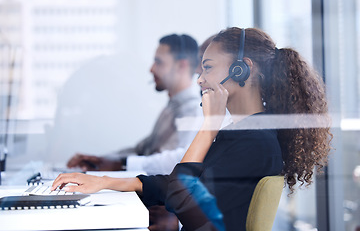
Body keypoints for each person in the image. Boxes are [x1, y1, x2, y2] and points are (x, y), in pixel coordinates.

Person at [52, 27, 332, 231]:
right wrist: (104, 182)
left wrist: (209, 127)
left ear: (241, 70)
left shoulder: (254, 142)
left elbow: (179, 193)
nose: (200, 80)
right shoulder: (244, 133)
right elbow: (179, 183)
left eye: (207, 68)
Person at [66, 34, 202, 174]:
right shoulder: (172, 107)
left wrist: (121, 164)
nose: (151, 69)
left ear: (181, 66)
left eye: (159, 62)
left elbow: (179, 161)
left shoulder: (192, 111)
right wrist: (100, 160)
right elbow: (142, 150)